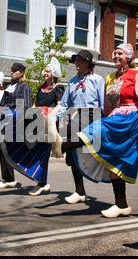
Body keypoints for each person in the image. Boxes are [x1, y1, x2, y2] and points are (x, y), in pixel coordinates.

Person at [48, 45, 138, 218]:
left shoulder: (137, 74)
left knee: (93, 132)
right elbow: (107, 105)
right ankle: (121, 204)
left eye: (120, 53)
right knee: (115, 160)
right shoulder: (110, 77)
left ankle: (62, 146)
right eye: (114, 53)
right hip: (112, 118)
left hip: (130, 118)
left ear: (129, 56)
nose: (116, 55)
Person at [47, 49, 105, 204]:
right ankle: (80, 192)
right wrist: (55, 120)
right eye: (76, 60)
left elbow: (103, 102)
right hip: (76, 116)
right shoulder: (72, 81)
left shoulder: (97, 80)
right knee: (73, 156)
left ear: (88, 63)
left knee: (87, 152)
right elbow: (65, 104)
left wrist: (105, 122)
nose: (76, 63)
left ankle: (59, 146)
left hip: (93, 116)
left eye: (80, 60)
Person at [1, 57, 65, 196]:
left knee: (42, 152)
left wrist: (51, 117)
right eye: (45, 71)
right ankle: (41, 181)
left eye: (47, 71)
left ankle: (42, 183)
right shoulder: (42, 87)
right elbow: (35, 104)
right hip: (37, 116)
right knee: (34, 147)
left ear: (53, 73)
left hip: (48, 119)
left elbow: (60, 105)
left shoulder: (58, 87)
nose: (45, 73)